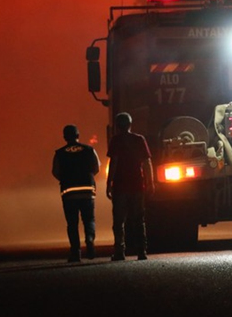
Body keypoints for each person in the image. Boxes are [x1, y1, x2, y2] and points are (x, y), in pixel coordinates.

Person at [106, 112, 155, 261]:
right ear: (130, 124)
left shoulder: (115, 141)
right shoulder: (139, 139)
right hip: (137, 185)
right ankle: (142, 251)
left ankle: (120, 251)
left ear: (117, 126)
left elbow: (113, 163)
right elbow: (147, 163)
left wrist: (109, 183)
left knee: (119, 221)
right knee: (139, 220)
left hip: (120, 186)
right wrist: (150, 182)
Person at [52, 124, 100, 263]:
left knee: (72, 223)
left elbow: (55, 171)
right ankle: (90, 240)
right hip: (87, 191)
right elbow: (96, 167)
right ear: (78, 135)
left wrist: (66, 180)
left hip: (69, 192)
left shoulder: (60, 153)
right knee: (89, 219)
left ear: (65, 137)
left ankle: (75, 253)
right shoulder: (89, 150)